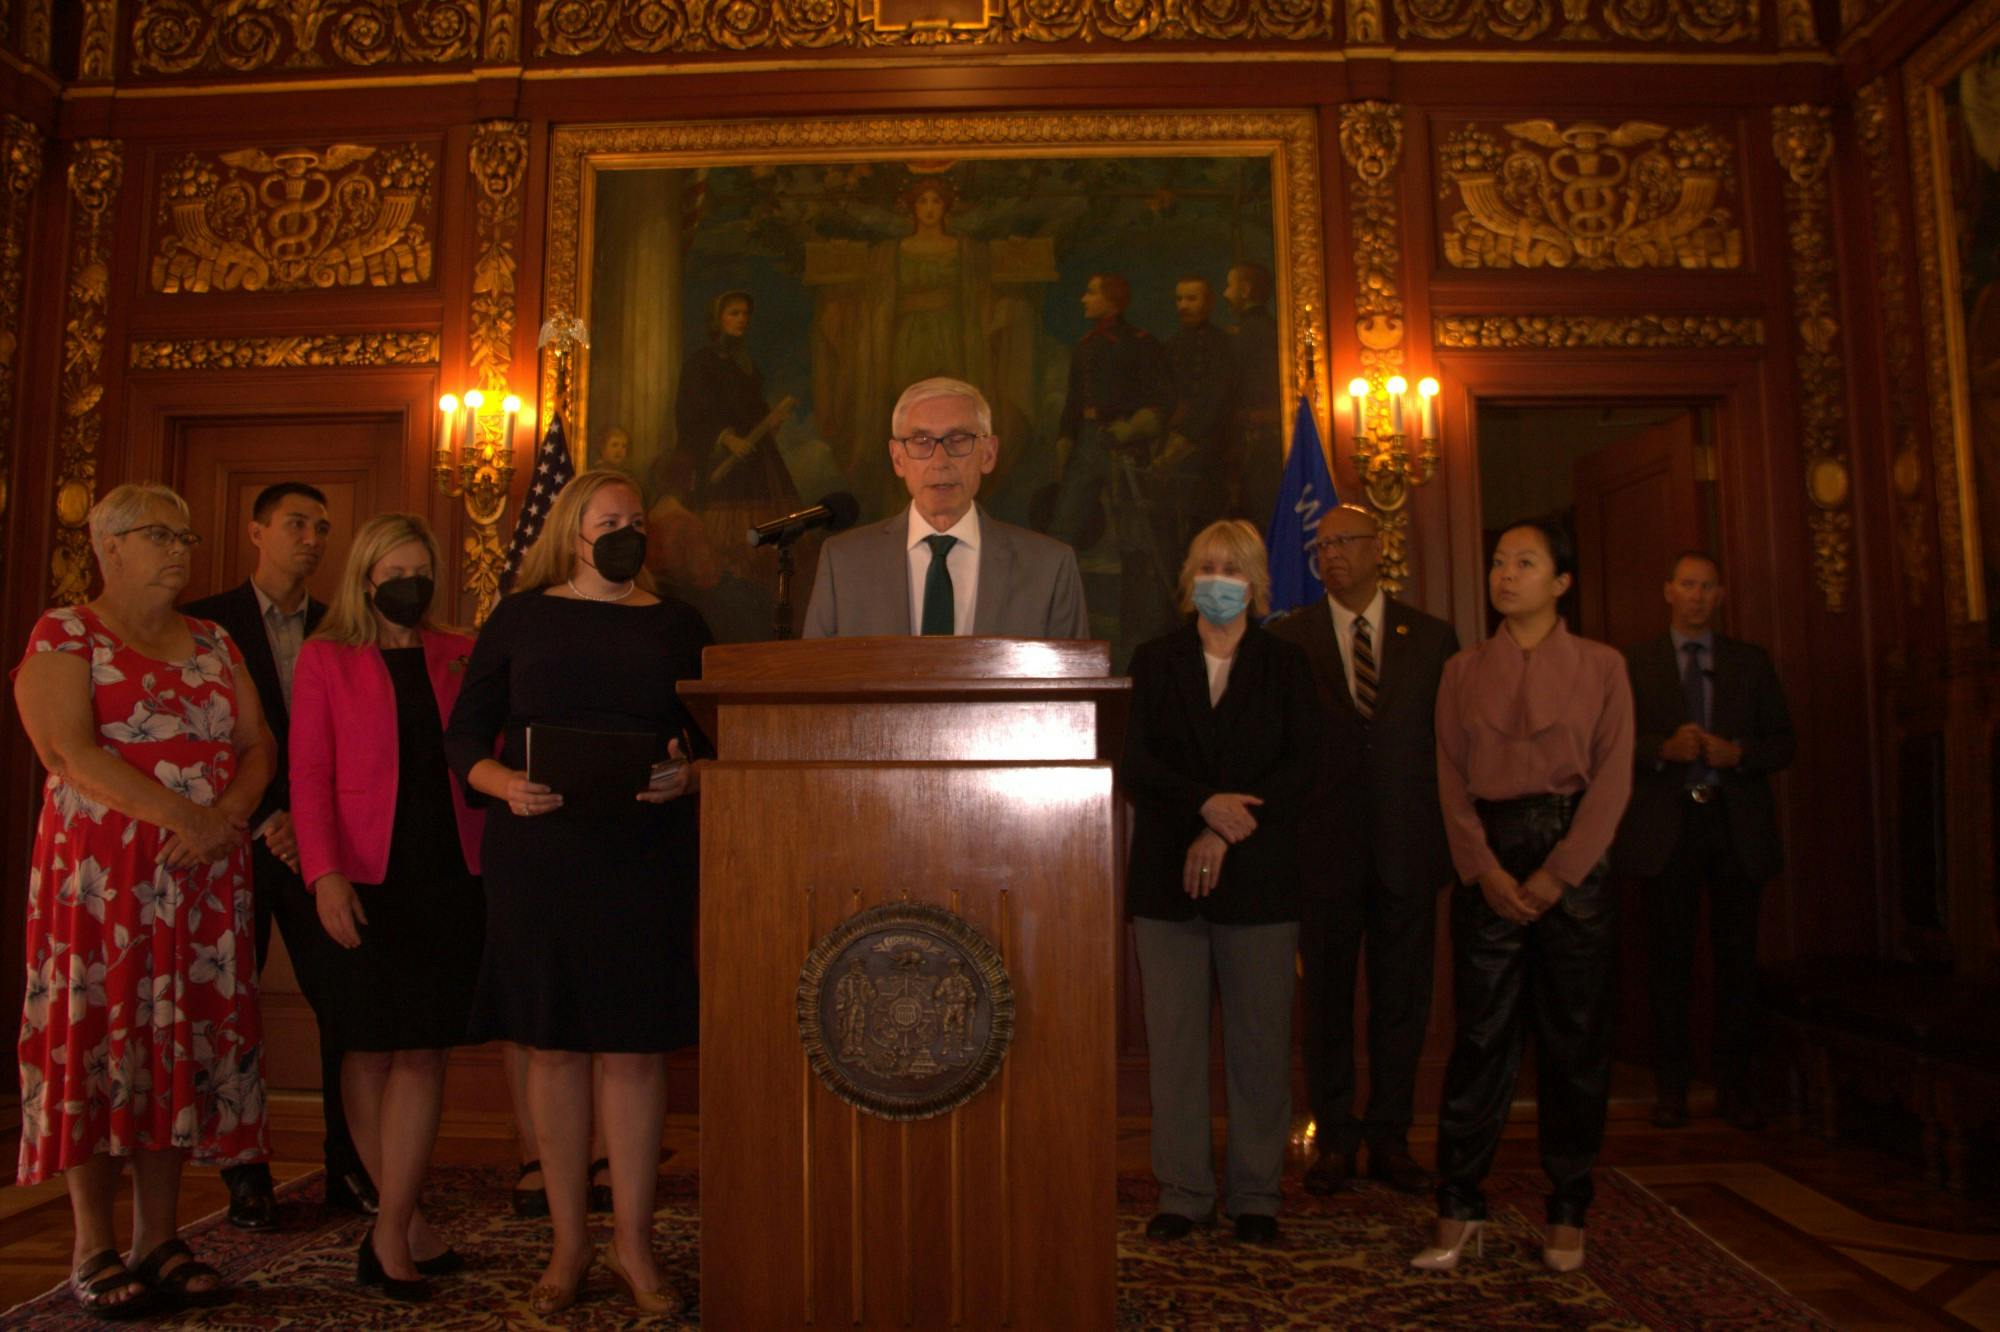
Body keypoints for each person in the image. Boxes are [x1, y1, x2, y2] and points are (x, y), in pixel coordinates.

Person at [445, 469, 709, 1318]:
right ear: (572, 531)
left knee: (633, 1049)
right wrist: (502, 784)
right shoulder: (522, 616)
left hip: (645, 854)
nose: (625, 531)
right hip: (542, 857)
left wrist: (690, 776)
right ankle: (569, 1243)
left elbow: (717, 741)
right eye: (608, 520)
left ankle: (635, 1243)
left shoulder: (679, 623)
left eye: (637, 519)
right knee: (553, 1047)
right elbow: (462, 737)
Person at [13, 483, 277, 1315]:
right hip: (100, 888)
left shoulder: (214, 638)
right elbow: (67, 750)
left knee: (175, 1048)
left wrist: (224, 819)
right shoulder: (66, 632)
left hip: (198, 884)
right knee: (101, 1042)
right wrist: (185, 817)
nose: (179, 550)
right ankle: (93, 1246)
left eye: (187, 535)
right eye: (159, 535)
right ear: (109, 546)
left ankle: (159, 1237)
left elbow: (257, 743)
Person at [1415, 518, 1633, 1275]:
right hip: (1489, 865)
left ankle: (1569, 1208)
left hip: (1576, 863)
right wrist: (1484, 869)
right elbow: (1449, 781)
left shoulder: (1605, 667)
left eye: (1526, 563)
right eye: (1499, 562)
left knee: (1574, 1044)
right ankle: (1459, 1203)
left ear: (1562, 581)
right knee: (1481, 1040)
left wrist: (1559, 872)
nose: (1505, 575)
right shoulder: (1461, 671)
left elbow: (1613, 783)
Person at [290, 513, 486, 1302]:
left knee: (424, 1051)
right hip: (362, 877)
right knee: (369, 1048)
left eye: (422, 571)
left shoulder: (458, 653)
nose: (411, 585)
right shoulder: (326, 658)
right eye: (395, 572)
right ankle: (400, 1228)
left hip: (447, 871)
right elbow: (308, 778)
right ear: (366, 579)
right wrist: (323, 875)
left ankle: (393, 1224)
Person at [1122, 520, 1321, 1247]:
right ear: (1187, 579)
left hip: (1260, 880)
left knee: (1260, 1044)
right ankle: (1183, 1191)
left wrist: (1225, 825)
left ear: (1257, 582)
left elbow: (1302, 768)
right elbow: (1139, 763)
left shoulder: (1288, 665)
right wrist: (1202, 806)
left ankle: (1256, 1194)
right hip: (1166, 884)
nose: (1217, 579)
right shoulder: (1155, 660)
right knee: (1174, 1044)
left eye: (1232, 568)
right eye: (1206, 565)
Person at [183, 482, 374, 1227]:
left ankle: (348, 1165)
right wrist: (268, 816)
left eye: (323, 527)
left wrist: (307, 819)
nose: (313, 538)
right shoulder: (206, 624)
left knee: (346, 1000)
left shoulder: (341, 628)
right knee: (233, 1005)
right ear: (257, 531)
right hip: (236, 840)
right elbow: (204, 737)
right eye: (297, 523)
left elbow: (352, 744)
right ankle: (245, 1172)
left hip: (322, 846)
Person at [1269, 502, 1458, 1195]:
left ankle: (1391, 1137)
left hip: (1410, 847)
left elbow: (1451, 746)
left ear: (1380, 549)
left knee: (1402, 1000)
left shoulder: (1432, 639)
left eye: (1347, 541)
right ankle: (1335, 1139)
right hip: (1322, 850)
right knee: (1325, 1001)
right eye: (1323, 547)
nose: (1334, 554)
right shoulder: (1291, 638)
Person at [1612, 551, 1795, 1132]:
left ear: (1720, 595)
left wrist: (1738, 755)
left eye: (1707, 587)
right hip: (1667, 829)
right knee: (1669, 964)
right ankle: (1671, 1091)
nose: (1696, 596)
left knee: (1737, 964)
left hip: (1733, 826)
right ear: (1668, 591)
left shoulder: (1749, 662)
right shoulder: (1634, 663)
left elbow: (1784, 742)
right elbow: (1610, 742)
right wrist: (1662, 748)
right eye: (1687, 585)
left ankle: (1734, 1089)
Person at [801, 376, 1091, 638]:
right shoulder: (844, 563)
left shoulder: (1049, 566)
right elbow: (816, 686)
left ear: (988, 454)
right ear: (898, 458)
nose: (940, 461)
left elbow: (1074, 690)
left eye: (958, 440)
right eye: (921, 441)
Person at [1048, 273, 1174, 557]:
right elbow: (1074, 402)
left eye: (1092, 292)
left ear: (1113, 302)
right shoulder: (1085, 346)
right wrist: (1065, 441)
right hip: (1089, 442)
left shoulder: (1141, 343)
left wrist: (1131, 429)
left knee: (1134, 533)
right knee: (1064, 527)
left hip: (1125, 442)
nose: (1084, 299)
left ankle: (1137, 599)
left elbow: (1162, 399)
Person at [1222, 261, 1283, 525]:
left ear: (1244, 290)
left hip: (1256, 440)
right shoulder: (1271, 329)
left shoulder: (1245, 334)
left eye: (1229, 285)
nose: (1225, 294)